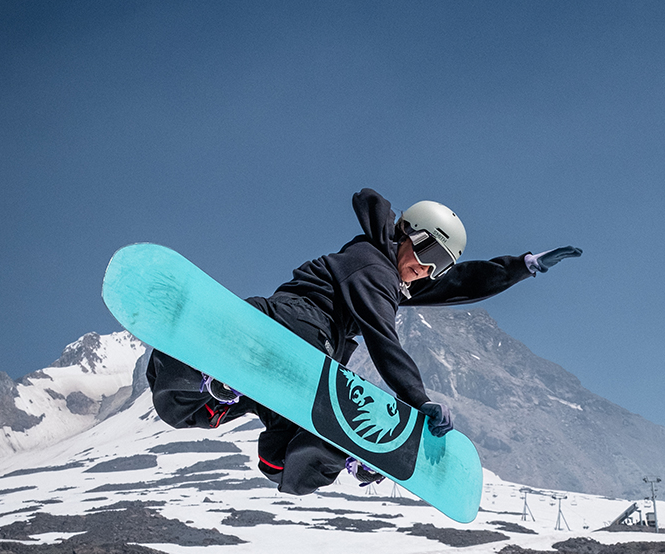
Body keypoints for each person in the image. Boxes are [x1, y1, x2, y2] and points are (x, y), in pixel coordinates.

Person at [147, 187, 581, 496]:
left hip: (308, 354)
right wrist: (415, 396)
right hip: (290, 324)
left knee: (278, 462)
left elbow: (459, 285)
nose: (429, 273)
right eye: (430, 258)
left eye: (440, 267)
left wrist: (522, 267)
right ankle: (226, 373)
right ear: (409, 235)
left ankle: (228, 387)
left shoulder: (391, 270)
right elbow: (380, 334)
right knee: (206, 413)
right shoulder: (371, 266)